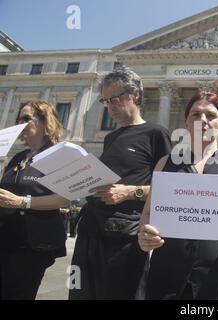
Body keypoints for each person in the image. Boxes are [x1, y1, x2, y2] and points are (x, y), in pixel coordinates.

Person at [138, 90, 218, 299]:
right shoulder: (165, 164)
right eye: (195, 115)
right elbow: (148, 213)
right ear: (186, 123)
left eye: (210, 115)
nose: (202, 120)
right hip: (168, 276)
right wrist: (144, 233)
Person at [68, 67, 172, 300]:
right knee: (81, 294)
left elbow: (169, 190)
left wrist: (129, 192)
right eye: (105, 101)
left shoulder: (156, 134)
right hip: (90, 231)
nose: (109, 107)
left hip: (125, 237)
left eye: (114, 99)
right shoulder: (110, 137)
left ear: (134, 95)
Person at [0, 100, 70, 299]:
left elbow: (63, 199)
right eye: (18, 119)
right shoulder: (17, 157)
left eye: (26, 118)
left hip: (32, 244)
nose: (19, 123)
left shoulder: (58, 155)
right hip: (6, 238)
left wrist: (23, 202)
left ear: (43, 122)